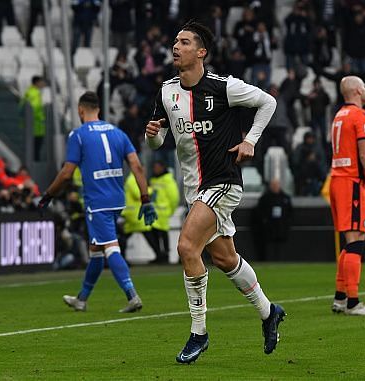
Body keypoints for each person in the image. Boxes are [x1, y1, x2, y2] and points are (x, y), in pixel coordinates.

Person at [145, 21, 284, 364]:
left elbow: (268, 102)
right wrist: (152, 135)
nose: (176, 46)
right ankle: (269, 312)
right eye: (175, 41)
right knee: (224, 259)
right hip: (195, 189)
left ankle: (199, 333)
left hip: (223, 182)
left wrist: (250, 140)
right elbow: (159, 138)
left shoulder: (225, 88)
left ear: (201, 52)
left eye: (185, 42)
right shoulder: (166, 91)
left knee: (186, 246)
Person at [38, 91, 157, 313]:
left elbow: (66, 173)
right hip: (116, 199)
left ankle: (132, 295)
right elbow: (137, 166)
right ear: (99, 110)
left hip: (97, 201)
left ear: (80, 110)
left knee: (110, 248)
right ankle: (82, 298)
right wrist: (145, 198)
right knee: (96, 249)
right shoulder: (118, 133)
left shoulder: (78, 135)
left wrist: (48, 195)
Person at [329, 76, 365, 317]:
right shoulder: (360, 116)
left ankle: (341, 298)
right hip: (350, 183)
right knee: (355, 241)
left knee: (349, 241)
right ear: (359, 90)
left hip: (340, 181)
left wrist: (364, 186)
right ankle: (353, 301)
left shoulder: (339, 115)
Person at [252, 178, 293, 261]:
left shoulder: (285, 198)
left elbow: (290, 212)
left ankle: (280, 261)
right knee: (268, 247)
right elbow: (259, 212)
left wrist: (287, 222)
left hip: (281, 227)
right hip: (269, 228)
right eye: (273, 185)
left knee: (280, 247)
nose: (275, 187)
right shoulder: (265, 198)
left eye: (276, 185)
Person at [149, 160, 180, 264]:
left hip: (163, 213)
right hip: (154, 213)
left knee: (163, 234)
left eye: (157, 167)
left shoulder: (168, 180)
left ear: (163, 168)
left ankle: (165, 255)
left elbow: (174, 197)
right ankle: (159, 255)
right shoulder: (153, 180)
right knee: (155, 234)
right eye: (154, 167)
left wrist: (170, 210)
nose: (155, 169)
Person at [21, 76, 46, 161]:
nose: (43, 84)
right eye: (42, 82)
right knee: (36, 149)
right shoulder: (35, 94)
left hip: (30, 125)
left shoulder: (28, 92)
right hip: (36, 126)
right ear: (37, 83)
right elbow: (36, 108)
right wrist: (42, 118)